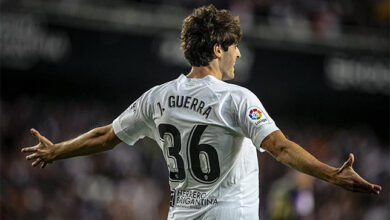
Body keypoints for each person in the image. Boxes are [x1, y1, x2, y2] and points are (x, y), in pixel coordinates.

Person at [21, 5, 381, 220]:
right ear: (217, 48)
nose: (238, 55)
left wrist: (58, 151)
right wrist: (331, 175)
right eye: (235, 47)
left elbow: (106, 136)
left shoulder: (156, 98)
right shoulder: (235, 99)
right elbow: (281, 148)